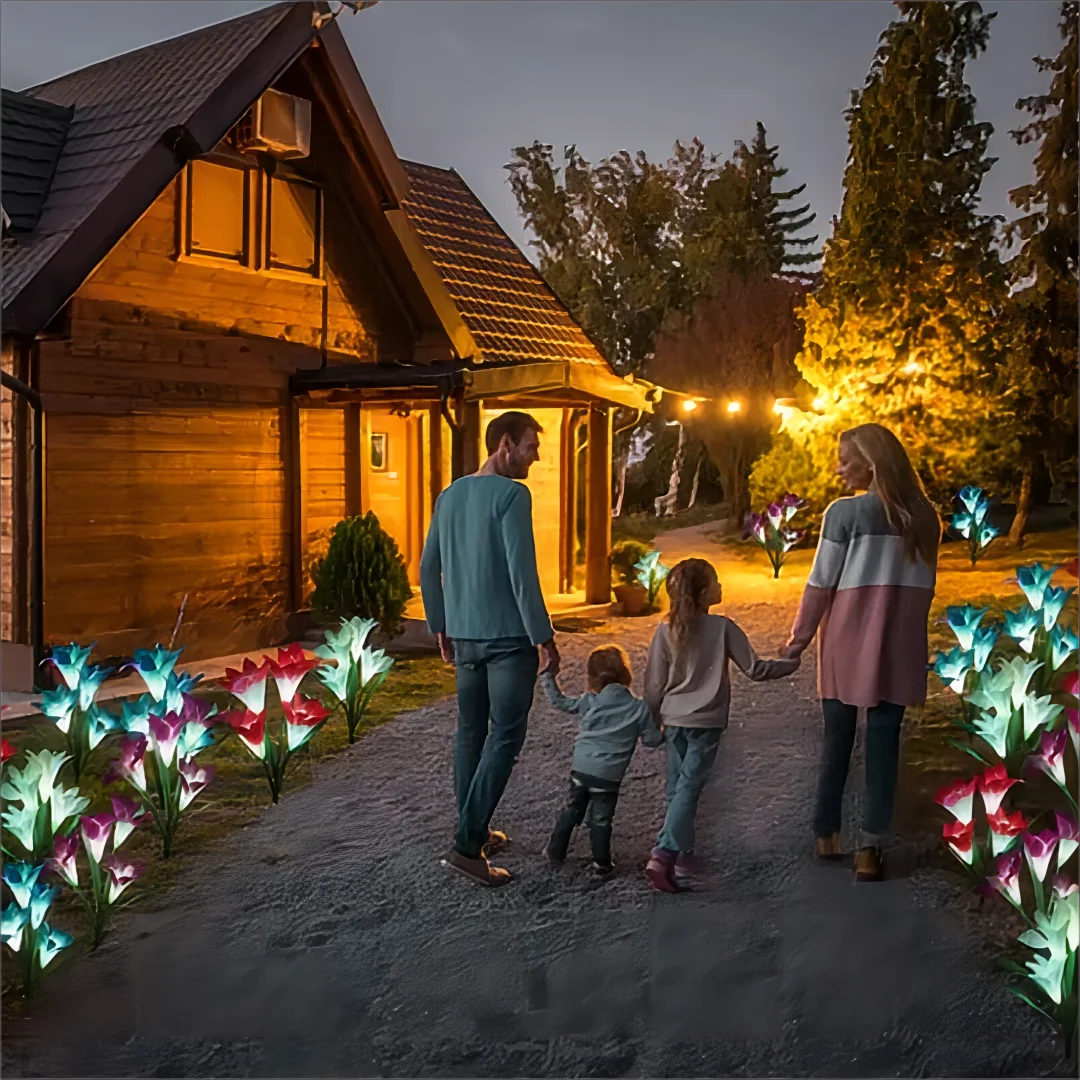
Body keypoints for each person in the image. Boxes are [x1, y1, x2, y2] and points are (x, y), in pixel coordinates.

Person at [781, 423, 939, 883]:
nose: (838, 468)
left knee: (837, 740)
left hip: (847, 642)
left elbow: (820, 585)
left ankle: (826, 834)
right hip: (899, 645)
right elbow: (924, 589)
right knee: (884, 746)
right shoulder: (925, 517)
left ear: (870, 462)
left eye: (844, 459)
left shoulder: (844, 514)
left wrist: (798, 641)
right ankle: (870, 849)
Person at [420, 410, 560, 888]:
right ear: (505, 444)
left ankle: (471, 831)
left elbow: (427, 567)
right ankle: (466, 846)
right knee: (504, 736)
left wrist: (440, 623)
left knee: (469, 733)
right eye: (530, 446)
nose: (535, 456)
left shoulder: (449, 495)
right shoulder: (512, 496)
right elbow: (523, 575)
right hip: (507, 641)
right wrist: (544, 636)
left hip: (465, 637)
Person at [643, 559, 799, 893]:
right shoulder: (723, 627)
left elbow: (654, 685)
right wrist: (790, 664)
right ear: (702, 593)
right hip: (706, 721)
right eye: (715, 582)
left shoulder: (664, 629)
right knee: (689, 788)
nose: (721, 587)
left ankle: (683, 858)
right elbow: (755, 668)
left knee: (677, 789)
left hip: (673, 720)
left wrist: (652, 719)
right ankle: (664, 852)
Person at [542, 644, 663, 876]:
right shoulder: (638, 708)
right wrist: (663, 720)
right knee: (601, 818)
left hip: (581, 767)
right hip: (609, 776)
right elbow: (652, 740)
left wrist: (548, 676)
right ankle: (601, 863)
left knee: (572, 809)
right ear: (627, 675)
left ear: (591, 677)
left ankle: (555, 851)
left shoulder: (589, 701)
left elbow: (559, 702)